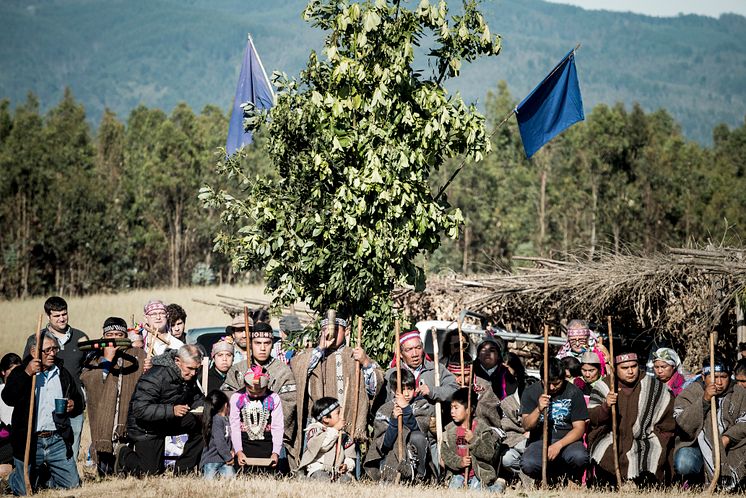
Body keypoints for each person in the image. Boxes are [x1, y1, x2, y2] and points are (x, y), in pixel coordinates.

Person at [4, 332, 84, 495]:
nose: (53, 353)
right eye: (47, 350)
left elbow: (78, 400)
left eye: (55, 349)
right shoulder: (21, 372)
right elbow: (8, 398)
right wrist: (27, 373)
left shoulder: (62, 373)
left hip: (57, 440)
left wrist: (73, 404)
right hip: (30, 441)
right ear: (34, 352)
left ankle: (43, 476)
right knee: (24, 492)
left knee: (72, 486)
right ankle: (15, 478)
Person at [292, 317, 382, 459]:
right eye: (325, 330)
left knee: (347, 457)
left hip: (349, 420)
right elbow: (299, 371)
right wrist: (320, 348)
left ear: (346, 332)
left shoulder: (355, 355)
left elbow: (373, 388)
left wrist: (365, 362)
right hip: (321, 421)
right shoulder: (313, 354)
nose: (330, 334)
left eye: (335, 330)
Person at [588, 350, 675, 487]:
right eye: (624, 368)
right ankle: (614, 483)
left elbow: (668, 422)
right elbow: (593, 418)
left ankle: (638, 483)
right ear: (615, 369)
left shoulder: (655, 387)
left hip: (645, 437)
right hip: (611, 435)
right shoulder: (604, 385)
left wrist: (660, 437)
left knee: (651, 451)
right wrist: (606, 406)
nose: (630, 371)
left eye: (633, 367)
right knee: (606, 449)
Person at [117, 344, 205, 476]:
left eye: (196, 369)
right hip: (146, 427)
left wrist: (204, 408)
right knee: (150, 473)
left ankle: (183, 470)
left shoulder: (188, 375)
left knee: (205, 424)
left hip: (169, 420)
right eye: (190, 368)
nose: (193, 373)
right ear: (177, 361)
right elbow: (140, 409)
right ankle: (123, 454)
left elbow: (196, 397)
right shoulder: (155, 376)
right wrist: (171, 410)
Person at [23, 296, 89, 461]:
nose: (62, 319)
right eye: (57, 316)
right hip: (45, 407)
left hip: (73, 404)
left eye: (64, 314)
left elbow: (88, 369)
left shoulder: (81, 338)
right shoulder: (37, 339)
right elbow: (26, 369)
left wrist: (82, 396)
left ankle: (69, 482)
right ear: (48, 317)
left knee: (71, 450)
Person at [223, 322, 297, 467]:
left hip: (272, 435)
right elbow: (226, 397)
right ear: (250, 344)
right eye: (257, 343)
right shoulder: (237, 369)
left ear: (272, 344)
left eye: (267, 343)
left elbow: (290, 402)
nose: (262, 348)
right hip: (241, 435)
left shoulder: (283, 371)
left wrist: (265, 420)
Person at [80, 317, 145, 476]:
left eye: (118, 334)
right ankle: (103, 469)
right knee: (105, 460)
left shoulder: (138, 355)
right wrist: (107, 360)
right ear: (103, 336)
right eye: (110, 334)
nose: (114, 338)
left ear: (125, 337)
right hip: (104, 412)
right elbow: (88, 380)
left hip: (127, 415)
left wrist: (147, 368)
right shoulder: (94, 357)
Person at [674, 356, 746, 490]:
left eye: (723, 377)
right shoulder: (690, 392)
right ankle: (695, 481)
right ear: (703, 376)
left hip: (731, 447)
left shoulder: (739, 393)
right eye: (714, 376)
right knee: (684, 462)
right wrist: (704, 400)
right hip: (698, 446)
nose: (719, 382)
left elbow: (744, 421)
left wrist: (727, 437)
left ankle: (730, 482)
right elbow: (683, 423)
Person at [520, 357, 589, 485]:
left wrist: (558, 445)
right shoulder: (530, 392)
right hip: (539, 440)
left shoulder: (574, 392)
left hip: (568, 440)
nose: (552, 387)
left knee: (580, 457)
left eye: (557, 383)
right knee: (528, 464)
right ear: (541, 379)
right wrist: (538, 409)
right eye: (548, 383)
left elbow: (579, 428)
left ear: (564, 378)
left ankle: (571, 479)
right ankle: (548, 479)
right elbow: (526, 425)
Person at [364, 369, 432, 482]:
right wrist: (394, 421)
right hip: (391, 454)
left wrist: (406, 408)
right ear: (393, 390)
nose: (406, 393)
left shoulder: (421, 404)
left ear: (415, 389)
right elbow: (384, 444)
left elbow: (420, 430)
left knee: (418, 437)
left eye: (409, 389)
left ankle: (420, 475)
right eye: (402, 389)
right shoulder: (384, 409)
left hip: (413, 453)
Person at [442, 387, 504, 492]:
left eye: (456, 408)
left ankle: (499, 485)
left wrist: (474, 440)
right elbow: (445, 454)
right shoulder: (449, 431)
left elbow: (489, 453)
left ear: (469, 409)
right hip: (458, 474)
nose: (452, 411)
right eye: (451, 407)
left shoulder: (482, 429)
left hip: (478, 474)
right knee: (454, 491)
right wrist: (459, 462)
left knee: (477, 492)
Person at [230, 365, 283, 472]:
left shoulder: (274, 398)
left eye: (259, 392)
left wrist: (275, 452)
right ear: (245, 385)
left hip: (267, 448)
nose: (255, 395)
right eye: (252, 392)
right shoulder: (236, 398)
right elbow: (234, 427)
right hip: (244, 448)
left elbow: (278, 427)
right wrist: (238, 451)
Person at [298, 397, 355, 482]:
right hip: (318, 469)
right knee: (322, 479)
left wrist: (346, 465)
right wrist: (335, 429)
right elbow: (322, 446)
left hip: (337, 472)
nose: (341, 416)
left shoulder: (343, 435)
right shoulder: (315, 430)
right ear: (326, 419)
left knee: (347, 480)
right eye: (338, 413)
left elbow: (350, 455)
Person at [200, 390, 235, 480]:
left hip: (224, 461)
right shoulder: (216, 420)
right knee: (209, 484)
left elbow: (228, 439)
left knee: (231, 480)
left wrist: (232, 450)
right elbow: (220, 442)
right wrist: (228, 457)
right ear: (226, 405)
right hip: (211, 460)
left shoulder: (225, 419)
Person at [0, 353, 22, 473]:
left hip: (19, 437)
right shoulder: (0, 391)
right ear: (3, 372)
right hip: (5, 439)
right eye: (11, 370)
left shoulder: (26, 389)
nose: (15, 373)